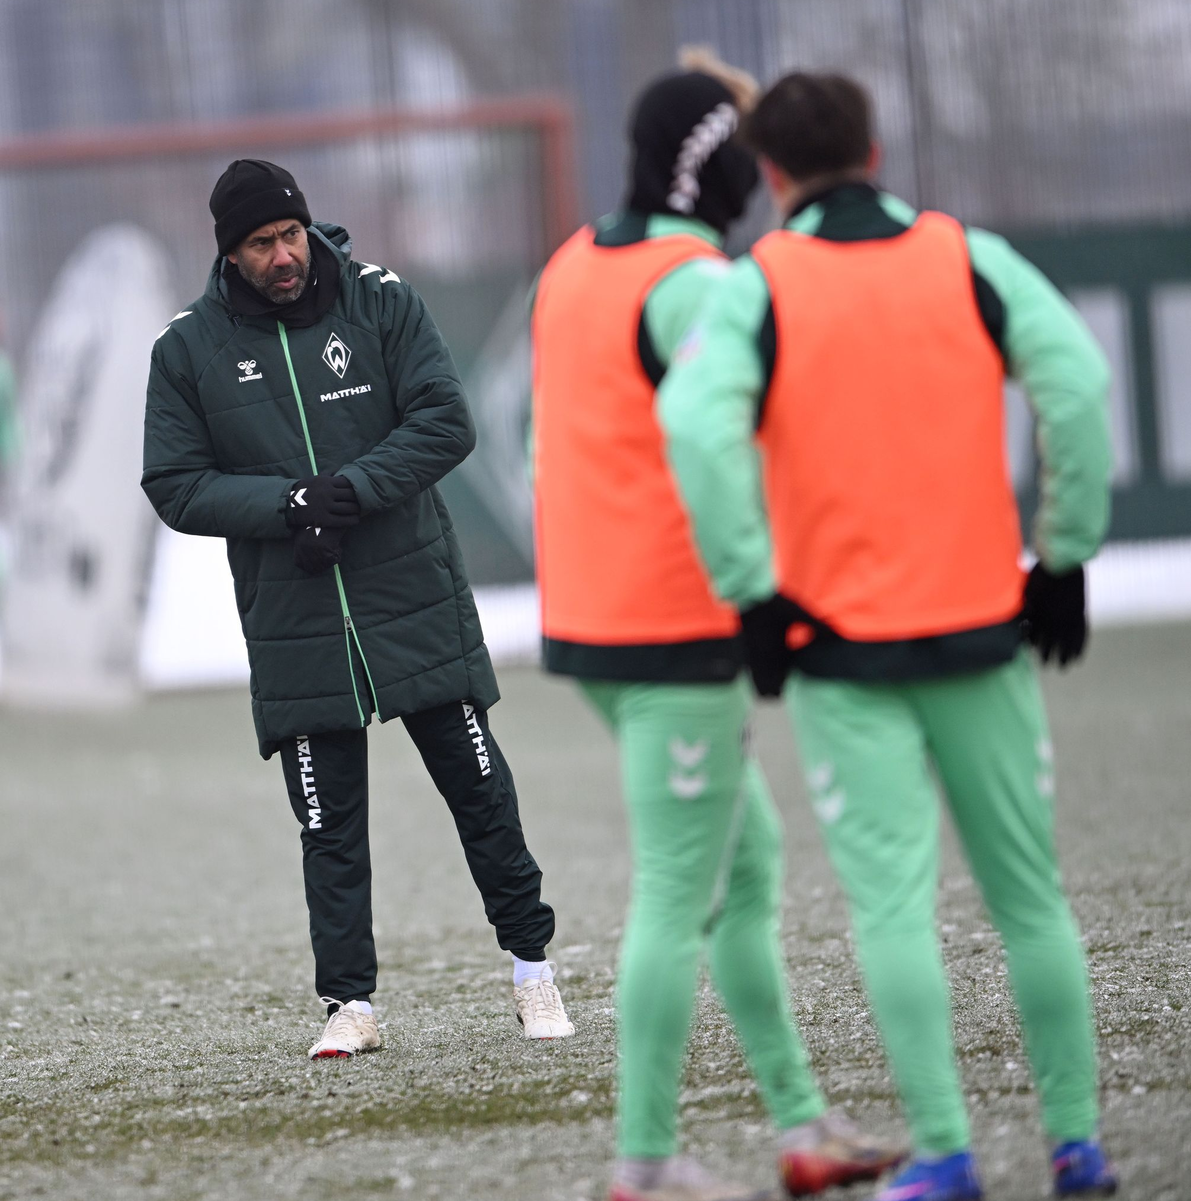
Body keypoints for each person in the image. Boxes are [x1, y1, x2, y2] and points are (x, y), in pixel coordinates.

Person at [659, 72, 1118, 1201]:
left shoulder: (760, 280)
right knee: (1031, 899)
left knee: (892, 908)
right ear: (873, 146)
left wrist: (751, 590)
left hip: (839, 649)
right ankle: (1076, 1147)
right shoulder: (970, 257)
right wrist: (1063, 555)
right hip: (984, 634)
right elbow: (1077, 384)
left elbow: (696, 427)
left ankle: (950, 1157)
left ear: (770, 173)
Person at [532, 51, 903, 1201]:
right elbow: (726, 447)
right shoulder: (697, 281)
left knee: (743, 873)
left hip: (596, 626)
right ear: (721, 166)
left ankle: (801, 1127)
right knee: (679, 890)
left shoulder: (573, 261)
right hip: (675, 630)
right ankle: (642, 1166)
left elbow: (555, 451)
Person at [142, 159, 573, 1059]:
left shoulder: (382, 302)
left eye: (291, 234)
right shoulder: (186, 348)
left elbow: (447, 420)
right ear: (229, 253)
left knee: (482, 792)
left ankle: (534, 971)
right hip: (294, 623)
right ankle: (350, 1005)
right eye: (261, 244)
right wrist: (288, 505)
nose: (284, 255)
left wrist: (351, 489)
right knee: (326, 824)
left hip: (413, 597)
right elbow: (174, 484)